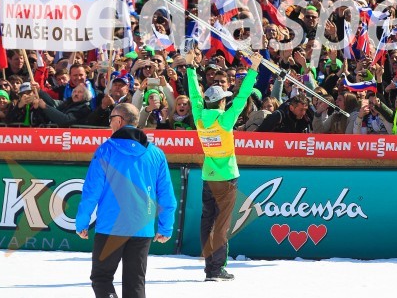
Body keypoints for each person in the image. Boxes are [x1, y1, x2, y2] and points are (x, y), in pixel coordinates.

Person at [75, 103, 176, 298]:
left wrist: (82, 221)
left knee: (102, 278)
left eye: (111, 119)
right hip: (142, 227)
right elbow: (166, 194)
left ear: (119, 120)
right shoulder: (155, 153)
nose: (109, 123)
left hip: (111, 227)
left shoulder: (106, 150)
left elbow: (91, 191)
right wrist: (166, 227)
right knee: (135, 282)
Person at [187, 50, 261, 282]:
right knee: (220, 224)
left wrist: (190, 69)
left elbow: (194, 96)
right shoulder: (224, 120)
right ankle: (216, 269)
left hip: (209, 175)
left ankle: (211, 269)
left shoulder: (200, 117)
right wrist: (253, 69)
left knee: (207, 221)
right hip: (227, 177)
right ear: (220, 101)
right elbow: (241, 99)